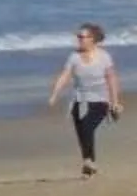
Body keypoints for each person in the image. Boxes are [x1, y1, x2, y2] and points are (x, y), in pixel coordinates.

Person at [45, 24, 122, 177]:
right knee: (82, 134)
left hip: (100, 100)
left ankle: (88, 162)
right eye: (78, 37)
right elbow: (65, 75)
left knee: (87, 127)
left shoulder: (104, 56)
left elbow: (111, 78)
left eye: (82, 37)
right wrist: (54, 95)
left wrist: (115, 102)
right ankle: (89, 164)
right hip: (79, 100)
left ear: (92, 39)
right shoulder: (74, 57)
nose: (79, 39)